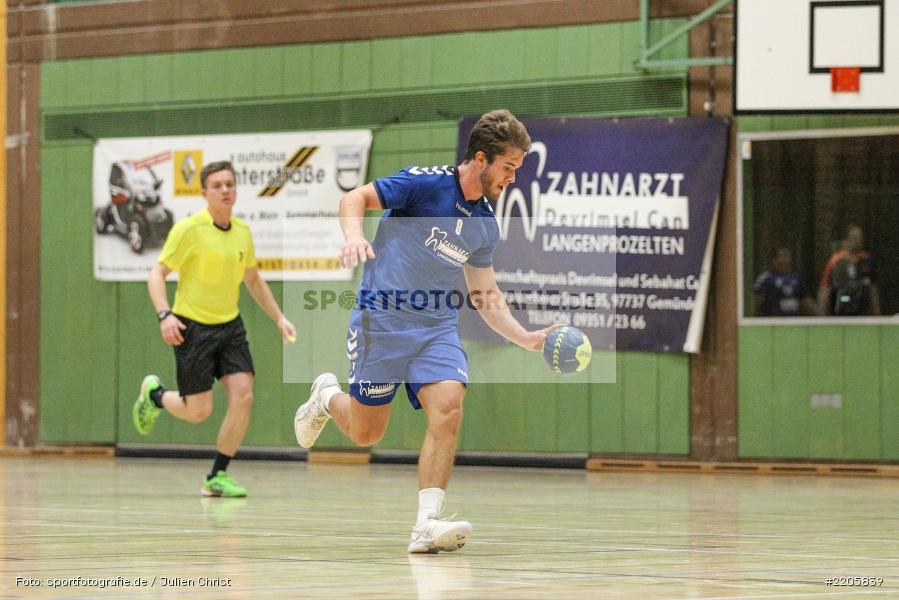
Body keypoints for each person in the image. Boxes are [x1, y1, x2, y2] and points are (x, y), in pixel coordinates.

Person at [293, 109, 557, 553]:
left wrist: (526, 337)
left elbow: (485, 295)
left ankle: (427, 524)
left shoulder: (484, 224)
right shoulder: (424, 183)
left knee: (449, 407)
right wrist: (353, 236)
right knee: (365, 433)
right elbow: (353, 198)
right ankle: (325, 396)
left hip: (436, 327)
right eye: (508, 167)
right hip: (382, 320)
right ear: (481, 158)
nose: (513, 178)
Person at [133, 161, 297, 497]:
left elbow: (252, 278)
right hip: (192, 328)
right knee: (199, 411)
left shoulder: (242, 232)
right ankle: (156, 395)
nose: (225, 190)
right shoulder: (189, 230)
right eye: (218, 185)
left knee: (244, 396)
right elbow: (156, 274)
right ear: (204, 192)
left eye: (230, 184)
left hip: (230, 326)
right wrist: (165, 315)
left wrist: (279, 317)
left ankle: (216, 476)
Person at [817, 225, 881, 316]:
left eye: (860, 238)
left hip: (863, 312)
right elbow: (825, 288)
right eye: (854, 238)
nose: (857, 241)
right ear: (846, 240)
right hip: (840, 311)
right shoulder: (835, 261)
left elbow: (872, 289)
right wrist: (821, 315)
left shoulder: (868, 260)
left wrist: (876, 313)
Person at [752, 247, 817, 316]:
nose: (784, 260)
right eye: (781, 256)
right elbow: (756, 302)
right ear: (774, 260)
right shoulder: (766, 278)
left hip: (792, 322)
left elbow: (807, 302)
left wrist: (823, 318)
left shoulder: (797, 278)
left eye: (786, 256)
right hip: (772, 322)